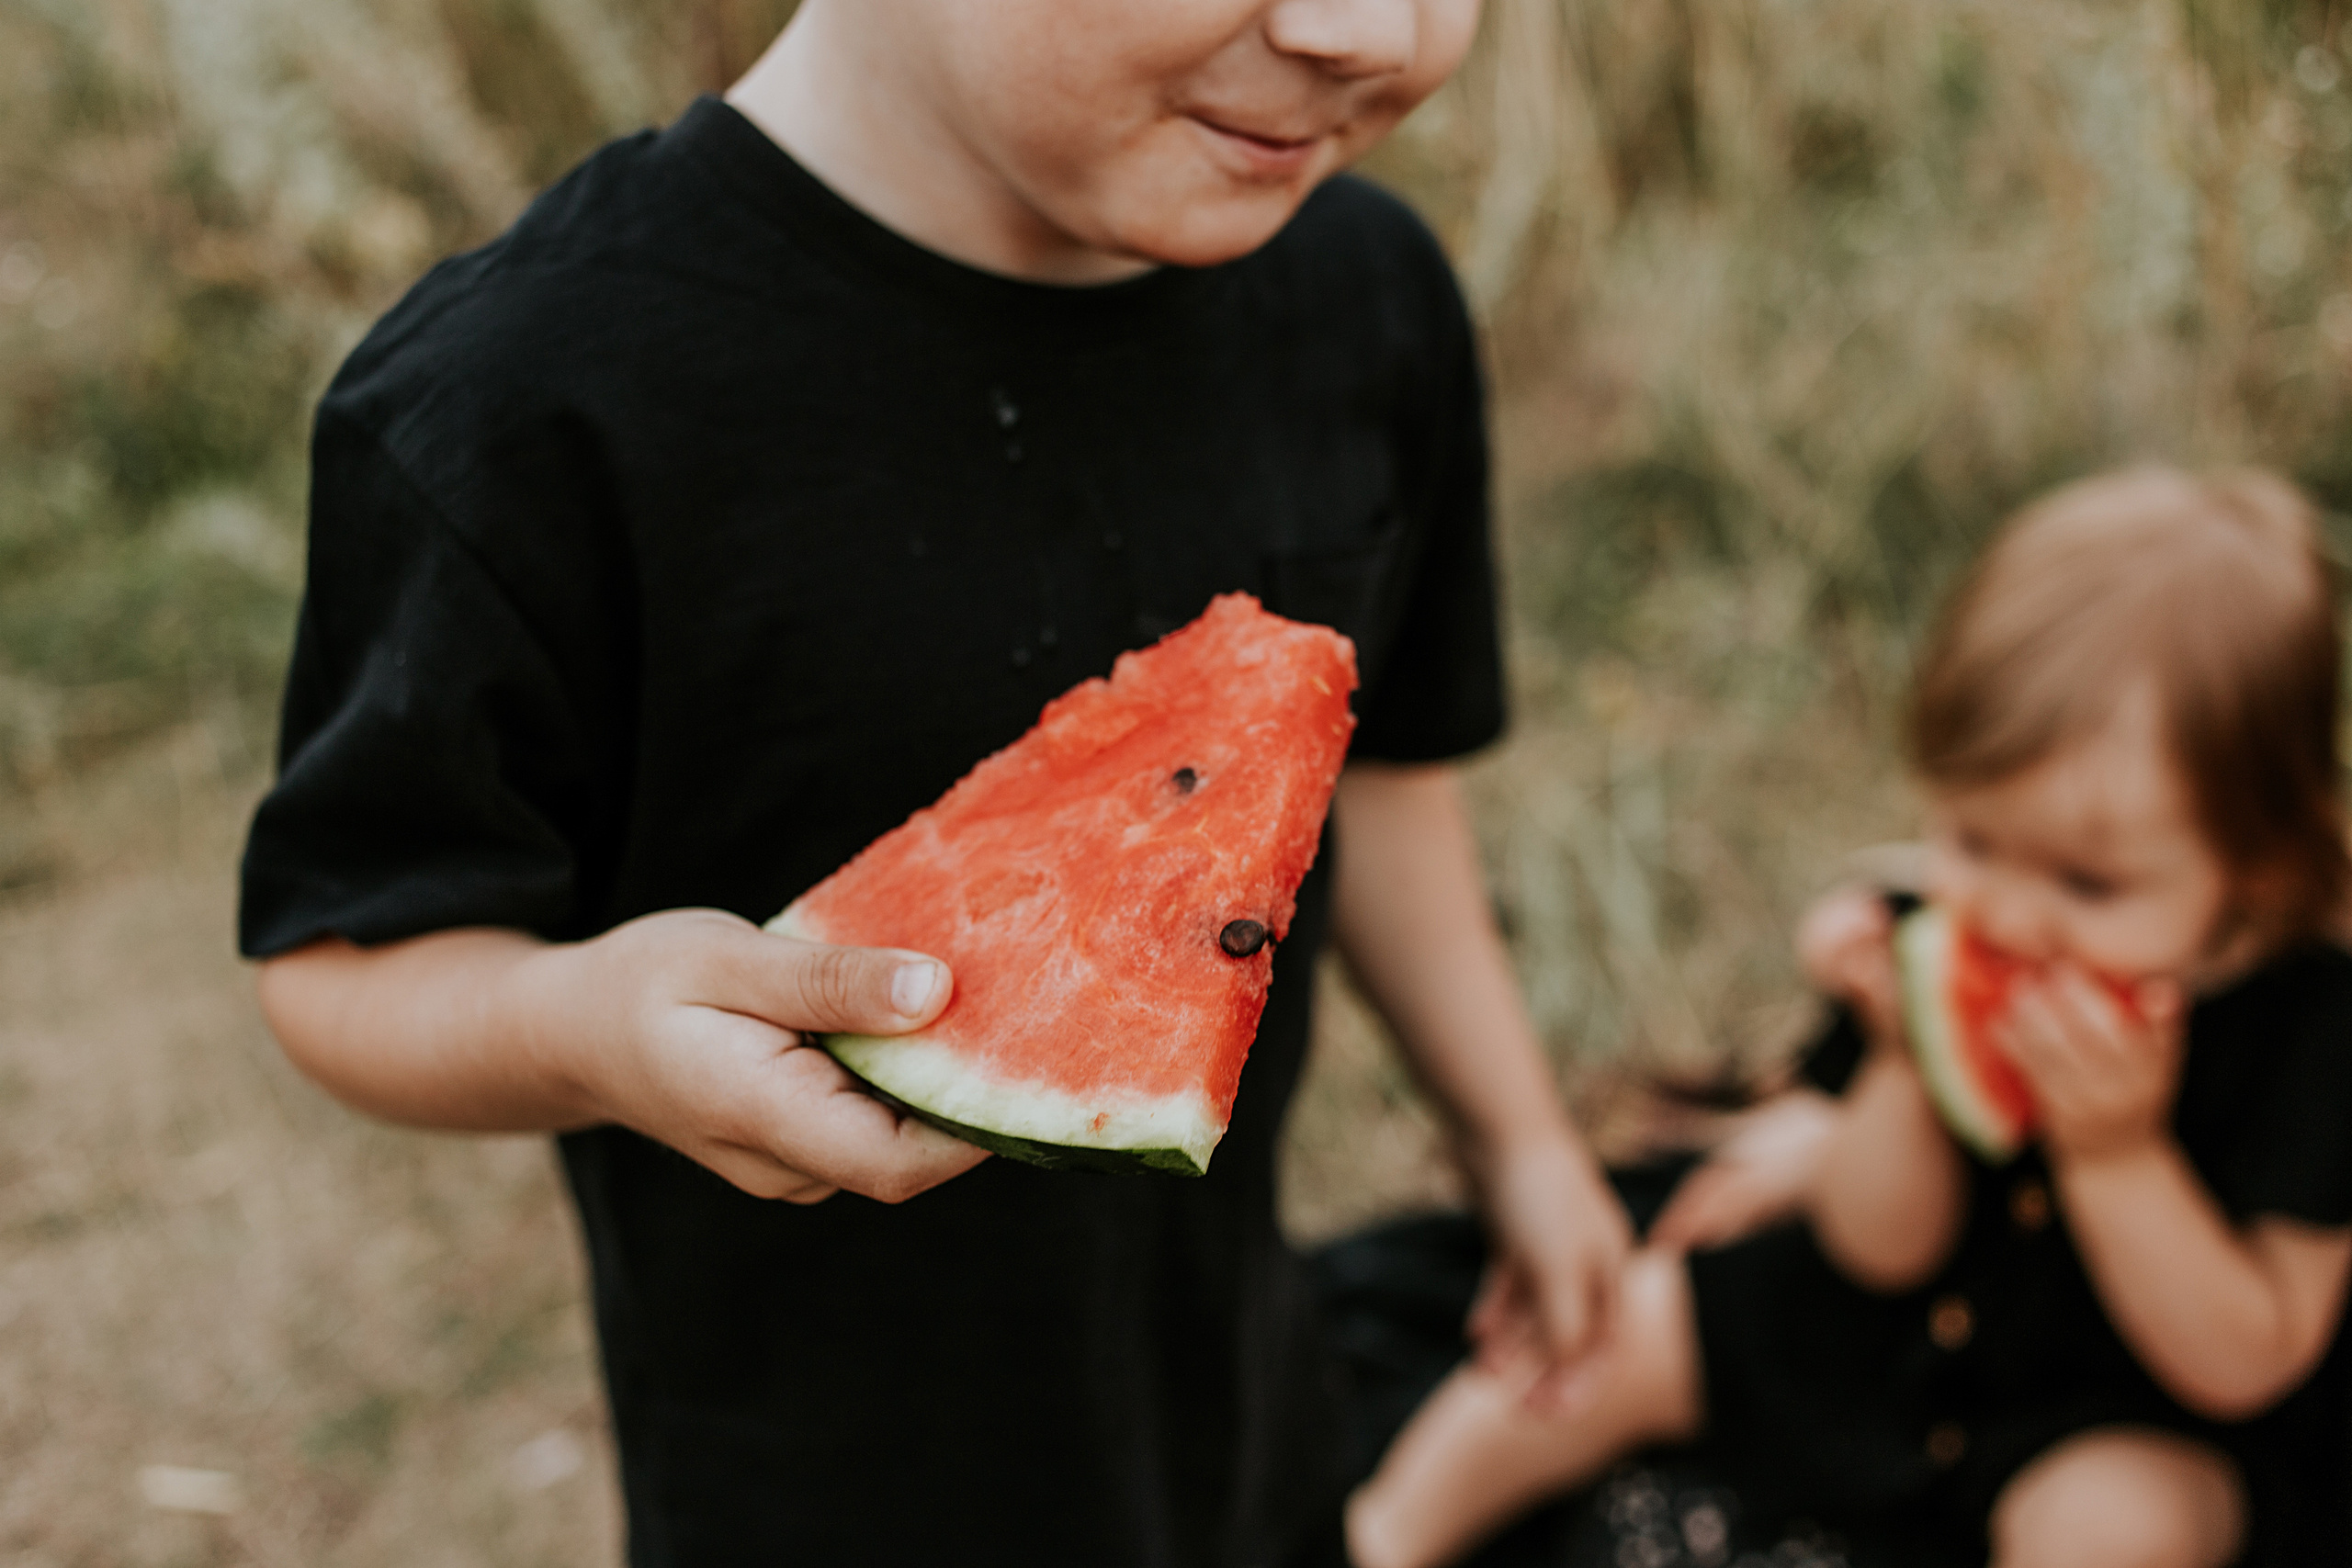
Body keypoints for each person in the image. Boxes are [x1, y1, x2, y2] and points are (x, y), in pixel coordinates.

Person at [235, 3, 1633, 1563]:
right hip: (815, 1505)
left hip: (1247, 1433)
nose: (1366, 31)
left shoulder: (1364, 299)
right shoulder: (520, 399)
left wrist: (1519, 1137)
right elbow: (343, 960)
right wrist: (587, 1028)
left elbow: (1361, 781)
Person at [1346, 468, 2352, 1568]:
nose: (2007, 915)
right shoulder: (1931, 928)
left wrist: (2117, 1157)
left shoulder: (2310, 1028)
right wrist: (1898, 1060)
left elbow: (2250, 1356)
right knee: (1628, 1326)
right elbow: (1878, 1245)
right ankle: (1382, 1533)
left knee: (2124, 1528)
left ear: (2256, 862)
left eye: (2086, 885)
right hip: (1881, 1332)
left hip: (2119, 1405)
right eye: (1971, 841)